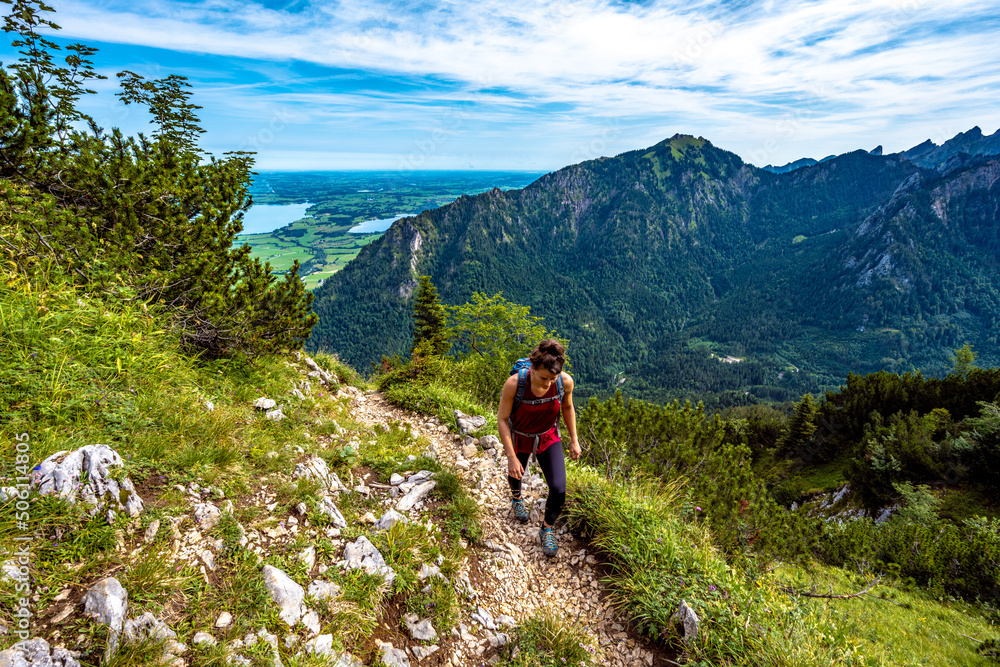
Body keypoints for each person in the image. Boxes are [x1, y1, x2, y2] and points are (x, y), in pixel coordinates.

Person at [497, 339, 581, 557]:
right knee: (517, 471)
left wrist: (574, 439)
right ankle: (517, 498)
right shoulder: (514, 384)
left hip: (548, 436)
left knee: (559, 488)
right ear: (532, 369)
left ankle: (547, 528)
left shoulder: (565, 382)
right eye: (543, 378)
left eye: (552, 379)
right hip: (520, 435)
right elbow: (502, 419)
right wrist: (511, 456)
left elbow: (568, 407)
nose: (547, 384)